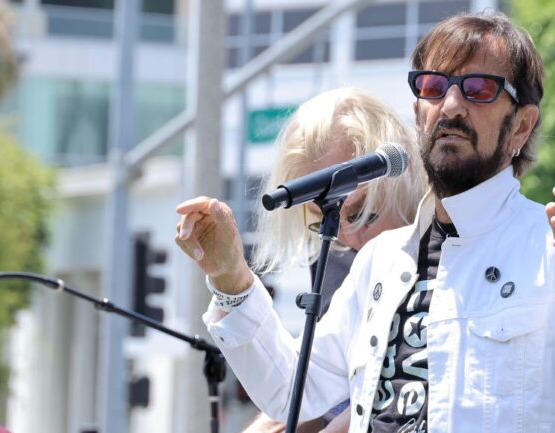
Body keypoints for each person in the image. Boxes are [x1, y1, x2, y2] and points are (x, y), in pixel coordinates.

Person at [184, 11, 555, 433]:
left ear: (521, 127)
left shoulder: (553, 252)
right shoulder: (380, 260)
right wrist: (232, 279)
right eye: (433, 86)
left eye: (480, 89)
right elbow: (295, 392)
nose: (452, 104)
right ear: (418, 111)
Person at [175, 87, 427, 433]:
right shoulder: (337, 254)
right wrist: (230, 278)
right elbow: (306, 385)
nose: (348, 238)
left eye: (359, 214)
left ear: (401, 177)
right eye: (324, 218)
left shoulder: (445, 240)